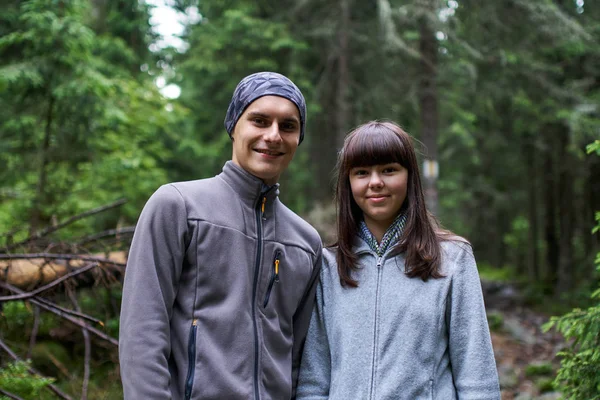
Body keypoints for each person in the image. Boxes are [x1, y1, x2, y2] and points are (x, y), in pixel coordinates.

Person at [119, 72, 323, 400]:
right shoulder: (178, 207)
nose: (273, 136)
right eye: (259, 120)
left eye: (288, 126)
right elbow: (142, 334)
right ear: (233, 126)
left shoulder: (305, 243)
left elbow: (300, 358)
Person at [296, 121, 500, 399]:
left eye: (389, 170)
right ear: (348, 183)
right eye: (361, 172)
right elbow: (313, 381)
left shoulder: (452, 258)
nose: (375, 182)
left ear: (409, 177)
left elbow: (477, 378)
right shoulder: (329, 265)